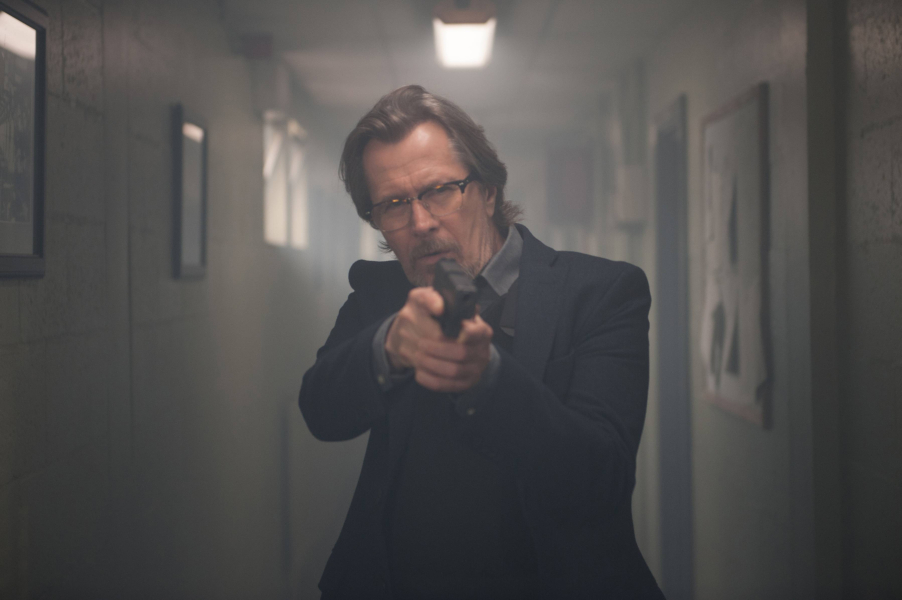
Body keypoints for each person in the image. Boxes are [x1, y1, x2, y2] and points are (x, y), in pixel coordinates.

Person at [298, 85, 664, 600]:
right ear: (376, 220)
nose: (421, 222)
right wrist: (389, 347)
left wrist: (489, 381)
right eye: (394, 204)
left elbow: (601, 478)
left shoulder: (601, 292)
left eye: (440, 191)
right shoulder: (379, 294)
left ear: (488, 192)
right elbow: (321, 410)